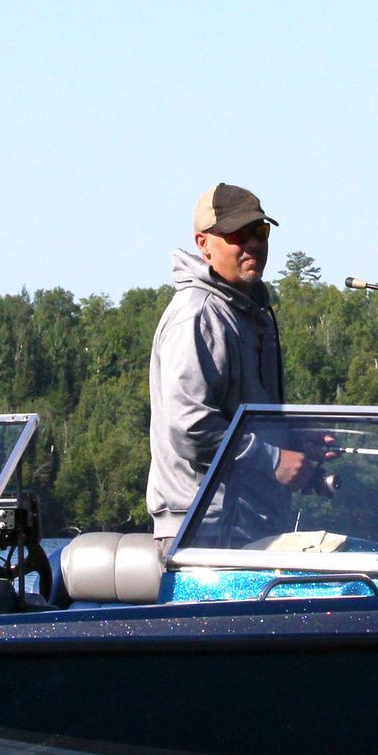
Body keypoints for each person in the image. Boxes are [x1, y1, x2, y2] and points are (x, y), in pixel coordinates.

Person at [147, 184, 324, 546]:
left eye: (260, 232)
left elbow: (244, 416)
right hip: (204, 528)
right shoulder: (198, 314)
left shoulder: (247, 311)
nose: (253, 245)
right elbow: (190, 427)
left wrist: (294, 443)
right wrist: (275, 459)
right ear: (203, 244)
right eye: (237, 234)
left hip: (248, 524)